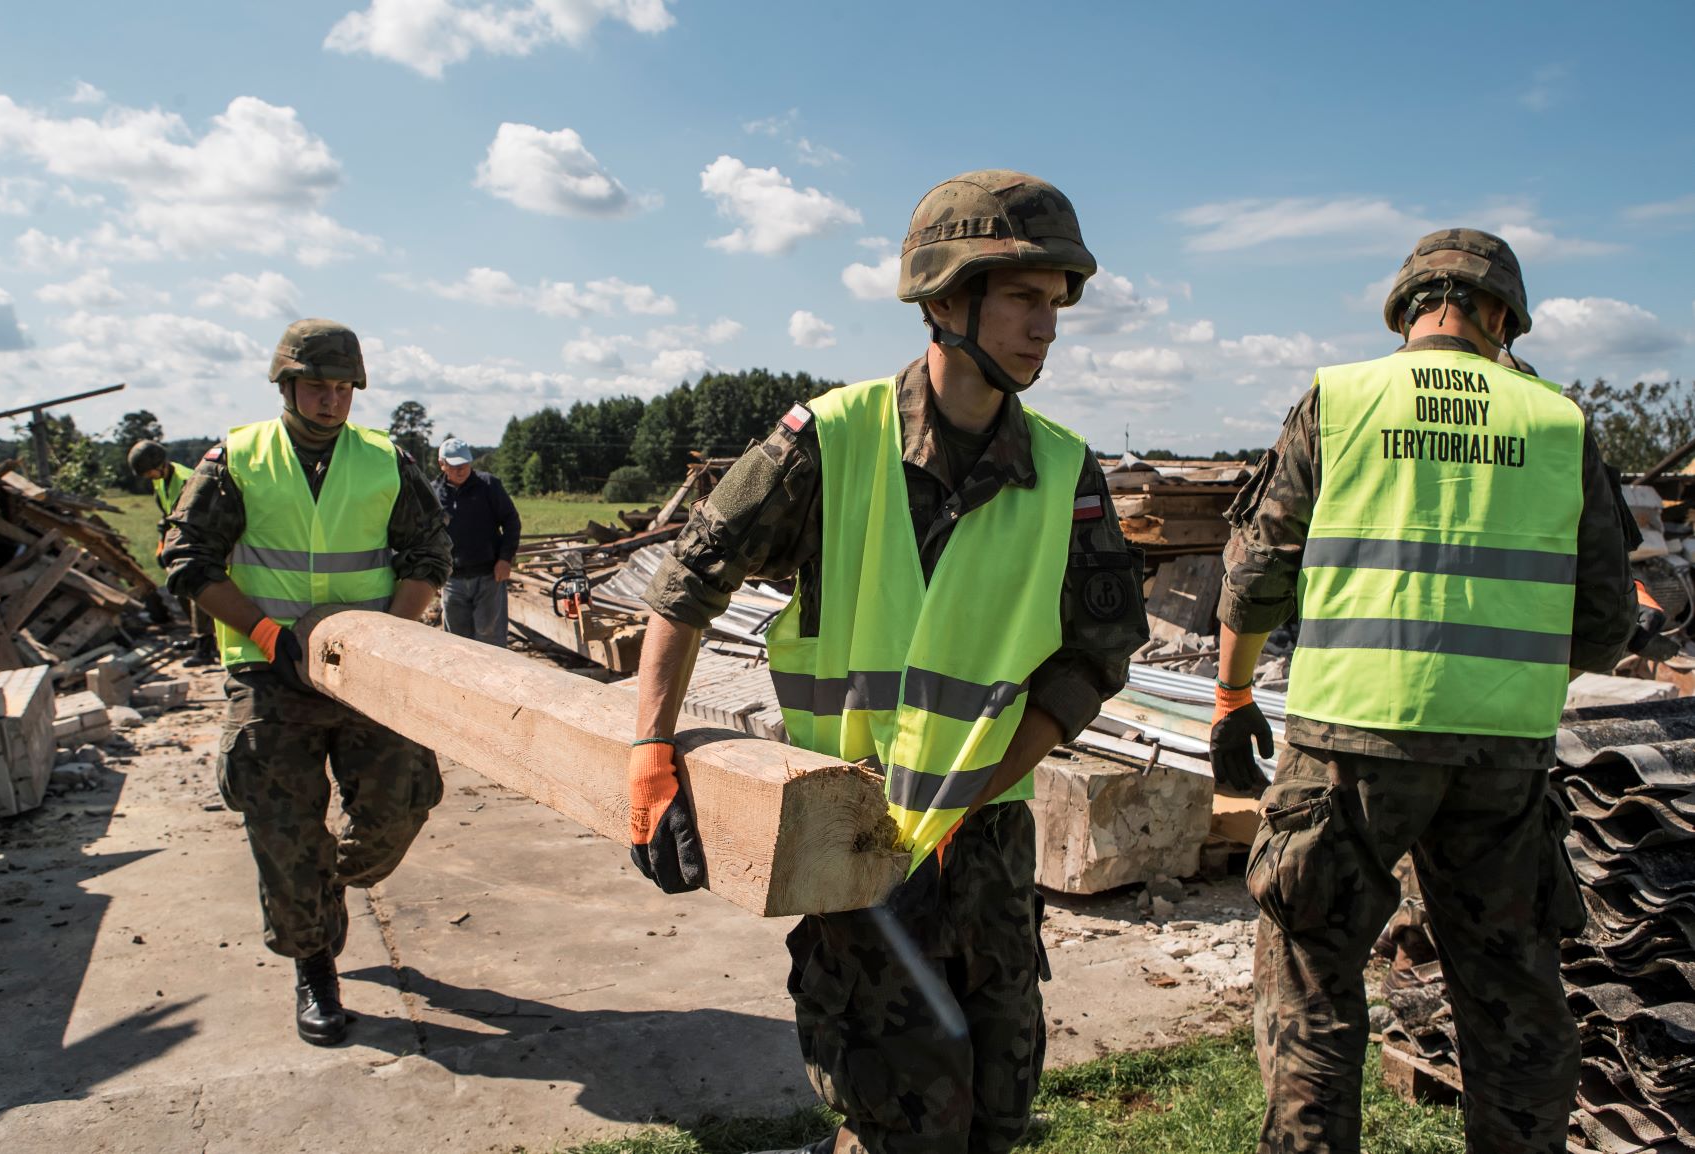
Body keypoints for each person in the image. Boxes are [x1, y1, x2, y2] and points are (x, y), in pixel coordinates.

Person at [628, 171, 1148, 1154]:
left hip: (987, 842)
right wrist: (650, 750)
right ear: (946, 298)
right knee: (896, 1112)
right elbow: (690, 576)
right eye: (1024, 299)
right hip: (850, 831)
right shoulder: (826, 443)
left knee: (998, 1112)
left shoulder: (1066, 467)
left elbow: (1101, 648)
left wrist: (991, 777)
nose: (1047, 328)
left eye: (1056, 303)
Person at [1212, 229, 1637, 1153]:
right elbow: (1607, 618)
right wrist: (1503, 679)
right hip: (1501, 760)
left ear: (1409, 308)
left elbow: (1254, 578)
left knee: (1312, 989)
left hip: (1344, 747)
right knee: (1512, 996)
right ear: (1498, 316)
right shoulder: (1556, 421)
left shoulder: (1342, 398)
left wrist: (1231, 696)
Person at [160, 318, 453, 1046]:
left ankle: (333, 881)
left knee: (403, 799)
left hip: (366, 675)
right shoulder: (238, 458)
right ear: (286, 385)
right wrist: (266, 633)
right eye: (317, 386)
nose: (331, 400)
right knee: (283, 831)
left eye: (343, 387)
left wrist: (386, 638)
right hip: (270, 672)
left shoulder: (387, 459)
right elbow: (187, 559)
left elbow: (428, 552)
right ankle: (314, 963)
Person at [128, 438, 217, 666]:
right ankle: (197, 635)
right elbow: (166, 516)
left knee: (198, 587)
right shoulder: (160, 481)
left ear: (161, 464)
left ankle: (206, 646)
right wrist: (162, 545)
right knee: (178, 588)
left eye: (149, 472)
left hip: (202, 539)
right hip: (181, 539)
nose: (149, 477)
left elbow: (200, 518)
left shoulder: (188, 479)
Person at [432, 436, 521, 647]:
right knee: (457, 643)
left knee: (490, 638)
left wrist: (505, 559)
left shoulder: (488, 486)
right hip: (452, 579)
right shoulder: (434, 493)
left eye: (465, 464)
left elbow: (511, 521)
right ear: (442, 464)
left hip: (489, 576)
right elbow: (427, 535)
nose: (461, 470)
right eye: (455, 466)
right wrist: (433, 572)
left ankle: (496, 679)